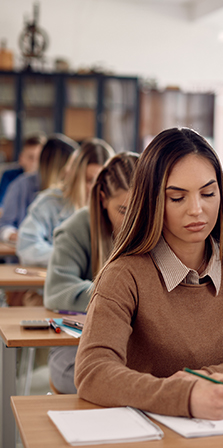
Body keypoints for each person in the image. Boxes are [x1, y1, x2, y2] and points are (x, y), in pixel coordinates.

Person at [74, 127, 223, 420]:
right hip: (146, 429)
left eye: (208, 193)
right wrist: (184, 397)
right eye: (177, 198)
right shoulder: (124, 274)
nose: (197, 210)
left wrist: (211, 378)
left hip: (220, 426)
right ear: (152, 200)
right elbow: (93, 372)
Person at [44, 152, 139, 393]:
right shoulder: (75, 229)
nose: (134, 222)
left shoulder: (155, 227)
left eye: (141, 210)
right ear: (102, 198)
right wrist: (123, 296)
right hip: (76, 343)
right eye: (124, 210)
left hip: (136, 344)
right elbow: (57, 291)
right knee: (103, 385)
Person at [16, 138, 114, 267]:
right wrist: (70, 257)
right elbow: (27, 246)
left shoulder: (116, 208)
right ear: (75, 176)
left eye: (101, 182)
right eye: (89, 180)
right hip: (61, 282)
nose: (95, 189)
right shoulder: (49, 202)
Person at [0, 134, 78, 244]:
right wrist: (22, 237)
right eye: (71, 164)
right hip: (26, 255)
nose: (73, 170)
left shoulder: (73, 190)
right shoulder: (21, 185)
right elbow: (4, 225)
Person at [0, 134, 45, 207]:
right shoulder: (10, 176)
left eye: (40, 159)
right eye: (31, 157)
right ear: (21, 159)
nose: (35, 163)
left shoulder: (46, 180)